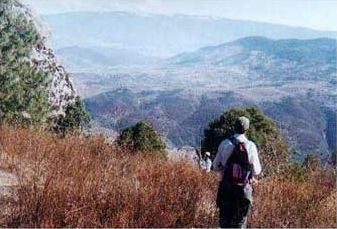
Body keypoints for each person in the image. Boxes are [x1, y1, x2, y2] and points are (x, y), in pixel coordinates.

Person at [212, 116, 261, 228]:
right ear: (247, 129)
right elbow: (257, 171)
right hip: (243, 190)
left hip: (226, 187)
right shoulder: (251, 146)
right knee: (240, 222)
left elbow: (215, 166)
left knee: (225, 221)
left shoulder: (224, 144)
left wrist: (224, 168)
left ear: (234, 128)